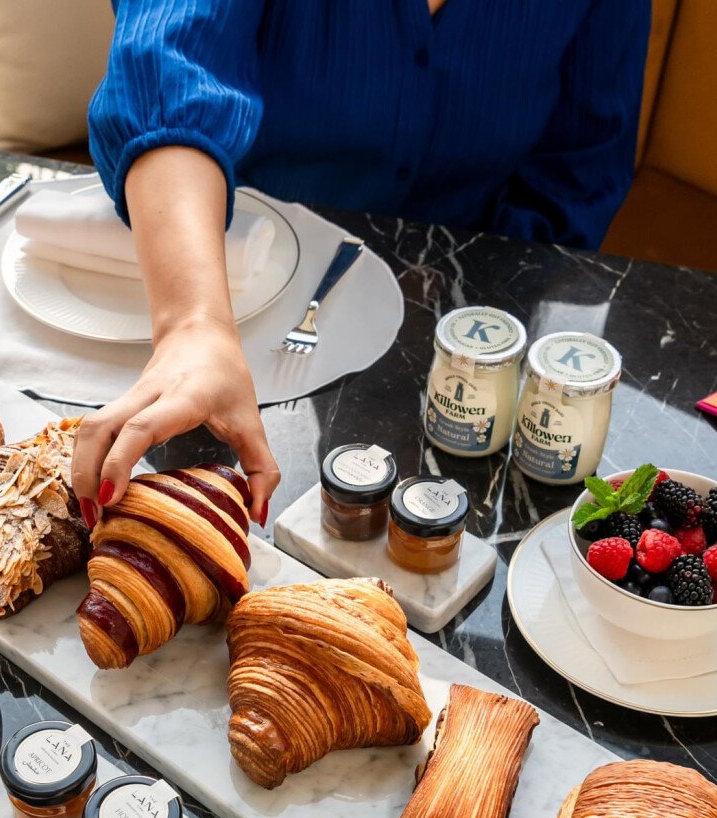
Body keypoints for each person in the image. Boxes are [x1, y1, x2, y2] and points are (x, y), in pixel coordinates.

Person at [73, 0, 654, 528]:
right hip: (242, 317)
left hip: (475, 341)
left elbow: (579, 167)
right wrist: (193, 325)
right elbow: (165, 70)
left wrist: (478, 321)